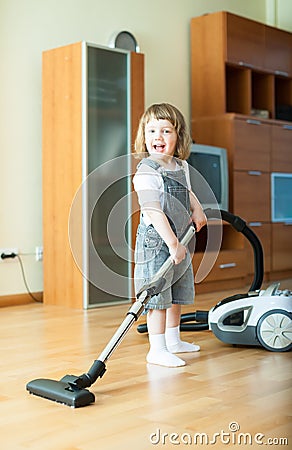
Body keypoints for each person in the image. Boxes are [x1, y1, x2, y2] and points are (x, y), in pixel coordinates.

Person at [133, 103, 207, 367]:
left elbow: (187, 192)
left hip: (179, 238)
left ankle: (173, 340)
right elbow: (153, 211)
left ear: (179, 136)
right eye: (152, 130)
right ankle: (157, 348)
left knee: (177, 291)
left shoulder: (181, 166)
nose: (158, 137)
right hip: (157, 241)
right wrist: (173, 244)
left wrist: (197, 209)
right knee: (158, 296)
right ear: (144, 136)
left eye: (166, 131)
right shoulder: (146, 171)